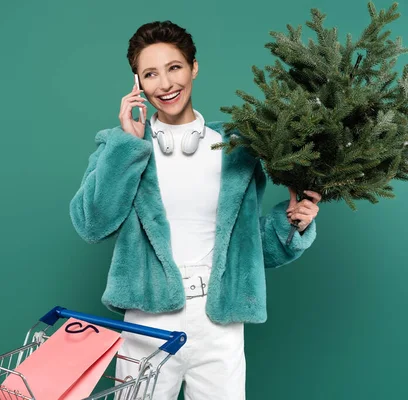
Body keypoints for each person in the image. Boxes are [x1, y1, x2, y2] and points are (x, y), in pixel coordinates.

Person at [69, 20, 321, 400]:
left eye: (174, 68)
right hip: (148, 318)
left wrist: (292, 225)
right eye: (150, 74)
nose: (165, 84)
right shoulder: (118, 147)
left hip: (219, 319)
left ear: (194, 67)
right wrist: (127, 145)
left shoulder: (239, 146)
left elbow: (249, 246)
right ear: (137, 83)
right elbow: (91, 225)